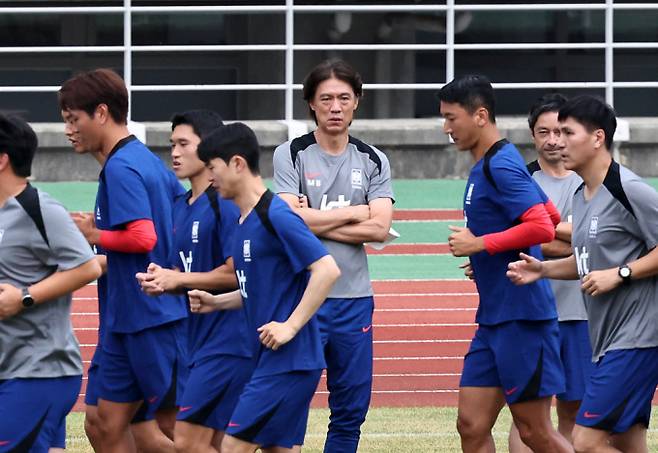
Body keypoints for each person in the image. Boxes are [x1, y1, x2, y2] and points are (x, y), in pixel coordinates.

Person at [507, 95, 658, 453]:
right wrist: (543, 269)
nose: (557, 141)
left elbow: (615, 267)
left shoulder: (628, 189)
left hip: (638, 337)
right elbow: (588, 259)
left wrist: (621, 273)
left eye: (567, 132)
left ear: (597, 138)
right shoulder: (583, 194)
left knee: (586, 440)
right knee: (626, 437)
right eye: (553, 132)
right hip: (607, 338)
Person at [437, 75, 573, 453]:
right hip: (494, 318)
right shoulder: (490, 164)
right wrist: (488, 254)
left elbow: (542, 226)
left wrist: (479, 243)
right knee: (471, 424)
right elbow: (550, 211)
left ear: (480, 115)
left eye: (451, 118)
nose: (446, 128)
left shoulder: (501, 164)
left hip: (523, 320)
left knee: (534, 432)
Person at [188, 122, 341, 452]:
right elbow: (257, 289)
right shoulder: (245, 221)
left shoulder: (277, 215)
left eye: (212, 168)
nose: (209, 178)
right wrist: (217, 302)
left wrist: (290, 326)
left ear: (238, 164)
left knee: (231, 447)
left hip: (290, 361)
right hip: (271, 359)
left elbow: (327, 270)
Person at [59, 68, 187, 453]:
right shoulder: (142, 161)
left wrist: (94, 235)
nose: (67, 129)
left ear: (100, 113)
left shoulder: (122, 167)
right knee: (101, 423)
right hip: (125, 320)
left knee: (168, 430)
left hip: (150, 320)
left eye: (72, 119)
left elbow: (143, 236)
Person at [272, 59, 394, 453]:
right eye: (326, 99)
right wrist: (358, 211)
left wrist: (313, 218)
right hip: (301, 299)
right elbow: (286, 222)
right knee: (286, 406)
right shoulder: (290, 154)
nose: (335, 107)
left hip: (354, 300)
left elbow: (379, 230)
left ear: (357, 102)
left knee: (349, 410)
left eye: (344, 98)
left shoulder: (373, 158)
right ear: (311, 103)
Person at [135, 110, 253, 453]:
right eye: (172, 144)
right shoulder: (179, 204)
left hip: (228, 340)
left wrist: (177, 279)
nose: (174, 152)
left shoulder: (224, 205)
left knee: (194, 440)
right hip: (191, 340)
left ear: (210, 147)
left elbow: (236, 272)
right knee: (206, 439)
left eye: (183, 144)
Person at [0, 114, 102, 452]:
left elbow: (88, 267)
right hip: (11, 368)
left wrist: (24, 297)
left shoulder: (40, 210)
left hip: (39, 371)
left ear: (3, 160)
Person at [508, 93, 593, 452]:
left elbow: (598, 241)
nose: (553, 139)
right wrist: (575, 237)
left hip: (582, 313)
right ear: (533, 135)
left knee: (574, 407)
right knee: (528, 415)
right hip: (531, 313)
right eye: (544, 132)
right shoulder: (518, 180)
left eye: (561, 131)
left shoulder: (592, 179)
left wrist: (537, 232)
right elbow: (510, 242)